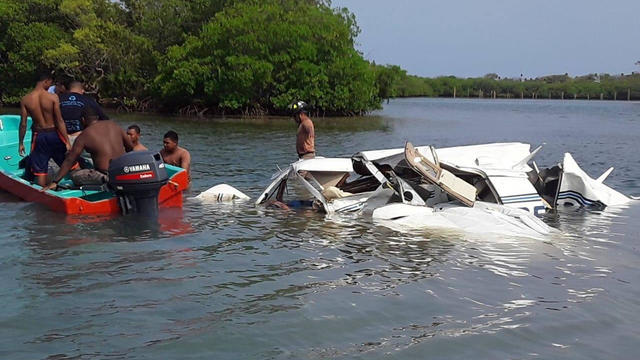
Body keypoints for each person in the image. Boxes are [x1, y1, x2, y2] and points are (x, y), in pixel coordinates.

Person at [41, 107, 134, 191]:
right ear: (97, 117)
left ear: (83, 120)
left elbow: (70, 160)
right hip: (122, 171)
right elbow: (130, 147)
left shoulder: (84, 135)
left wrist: (55, 182)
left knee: (74, 175)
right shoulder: (114, 125)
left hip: (105, 176)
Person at [19, 72, 71, 187]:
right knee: (68, 163)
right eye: (50, 83)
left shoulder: (25, 99)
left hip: (39, 136)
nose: (50, 86)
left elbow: (23, 124)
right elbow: (59, 120)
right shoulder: (52, 97)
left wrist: (21, 143)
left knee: (40, 171)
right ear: (46, 81)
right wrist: (67, 141)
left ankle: (41, 194)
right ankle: (76, 187)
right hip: (54, 134)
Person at [59, 80, 109, 144]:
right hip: (80, 138)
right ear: (82, 90)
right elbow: (104, 118)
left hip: (61, 137)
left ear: (68, 90)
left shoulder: (58, 98)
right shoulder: (88, 100)